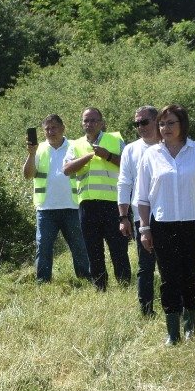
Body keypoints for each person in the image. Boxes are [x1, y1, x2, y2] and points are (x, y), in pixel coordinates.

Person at [136, 105, 195, 344]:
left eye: (171, 123)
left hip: (193, 225)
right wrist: (144, 229)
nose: (165, 128)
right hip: (162, 226)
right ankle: (172, 332)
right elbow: (142, 198)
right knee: (168, 279)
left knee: (192, 277)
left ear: (182, 124)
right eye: (162, 124)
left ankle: (190, 325)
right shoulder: (150, 155)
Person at [64, 107, 130, 291]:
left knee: (118, 248)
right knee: (93, 249)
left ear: (101, 123)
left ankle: (124, 284)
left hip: (113, 204)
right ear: (81, 123)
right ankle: (100, 286)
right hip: (87, 206)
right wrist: (87, 157)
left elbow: (128, 164)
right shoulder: (75, 145)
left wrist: (107, 155)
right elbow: (66, 169)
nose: (89, 124)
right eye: (86, 120)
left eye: (93, 120)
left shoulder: (115, 140)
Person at [22, 113, 92, 284]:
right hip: (46, 208)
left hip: (73, 206)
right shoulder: (38, 150)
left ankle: (85, 278)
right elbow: (27, 175)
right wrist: (31, 154)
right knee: (43, 247)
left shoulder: (75, 146)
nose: (50, 131)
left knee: (79, 246)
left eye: (54, 127)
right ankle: (43, 282)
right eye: (47, 129)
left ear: (62, 128)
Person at [117, 105, 163, 316]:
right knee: (145, 266)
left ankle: (175, 305)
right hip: (142, 217)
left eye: (144, 122)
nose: (140, 127)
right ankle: (146, 310)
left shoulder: (169, 144)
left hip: (170, 214)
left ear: (156, 121)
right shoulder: (131, 150)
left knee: (170, 263)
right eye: (136, 124)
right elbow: (124, 183)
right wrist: (123, 216)